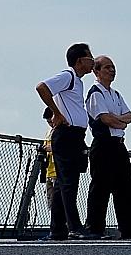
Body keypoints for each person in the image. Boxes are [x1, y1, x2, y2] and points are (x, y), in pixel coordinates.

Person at [84, 55, 131, 239]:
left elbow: (130, 115)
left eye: (112, 67)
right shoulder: (95, 93)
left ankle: (128, 227)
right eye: (107, 67)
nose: (112, 70)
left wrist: (117, 120)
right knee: (101, 187)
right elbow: (105, 118)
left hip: (118, 145)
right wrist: (119, 121)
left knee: (126, 186)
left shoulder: (116, 94)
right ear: (96, 72)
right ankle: (95, 228)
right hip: (103, 144)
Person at [36, 43, 95, 242]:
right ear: (79, 61)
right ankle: (75, 227)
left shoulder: (77, 81)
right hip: (67, 134)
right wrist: (57, 112)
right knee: (69, 183)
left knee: (64, 184)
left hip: (75, 135)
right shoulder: (68, 76)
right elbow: (42, 87)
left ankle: (58, 229)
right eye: (90, 58)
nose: (92, 61)